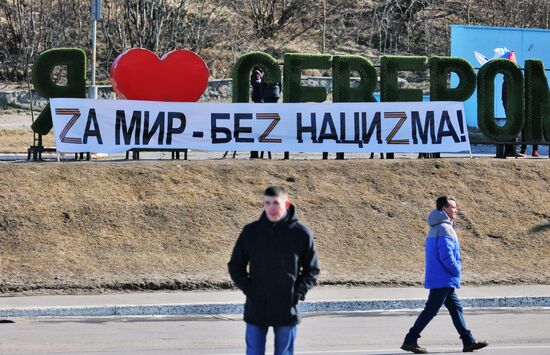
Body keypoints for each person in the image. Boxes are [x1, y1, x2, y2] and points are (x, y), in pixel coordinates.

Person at [228, 186, 320, 355]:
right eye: (267, 203)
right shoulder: (251, 232)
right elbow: (235, 266)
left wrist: (296, 294)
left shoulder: (301, 233)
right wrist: (250, 290)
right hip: (257, 305)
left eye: (276, 203)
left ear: (286, 204)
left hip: (286, 306)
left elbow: (312, 269)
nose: (271, 207)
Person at [401, 196, 488, 354]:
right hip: (444, 278)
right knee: (431, 310)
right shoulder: (445, 228)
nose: (456, 210)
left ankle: (468, 340)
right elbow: (446, 255)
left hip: (441, 277)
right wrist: (456, 269)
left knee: (455, 308)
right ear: (444, 209)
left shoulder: (436, 227)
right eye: (453, 207)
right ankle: (410, 340)